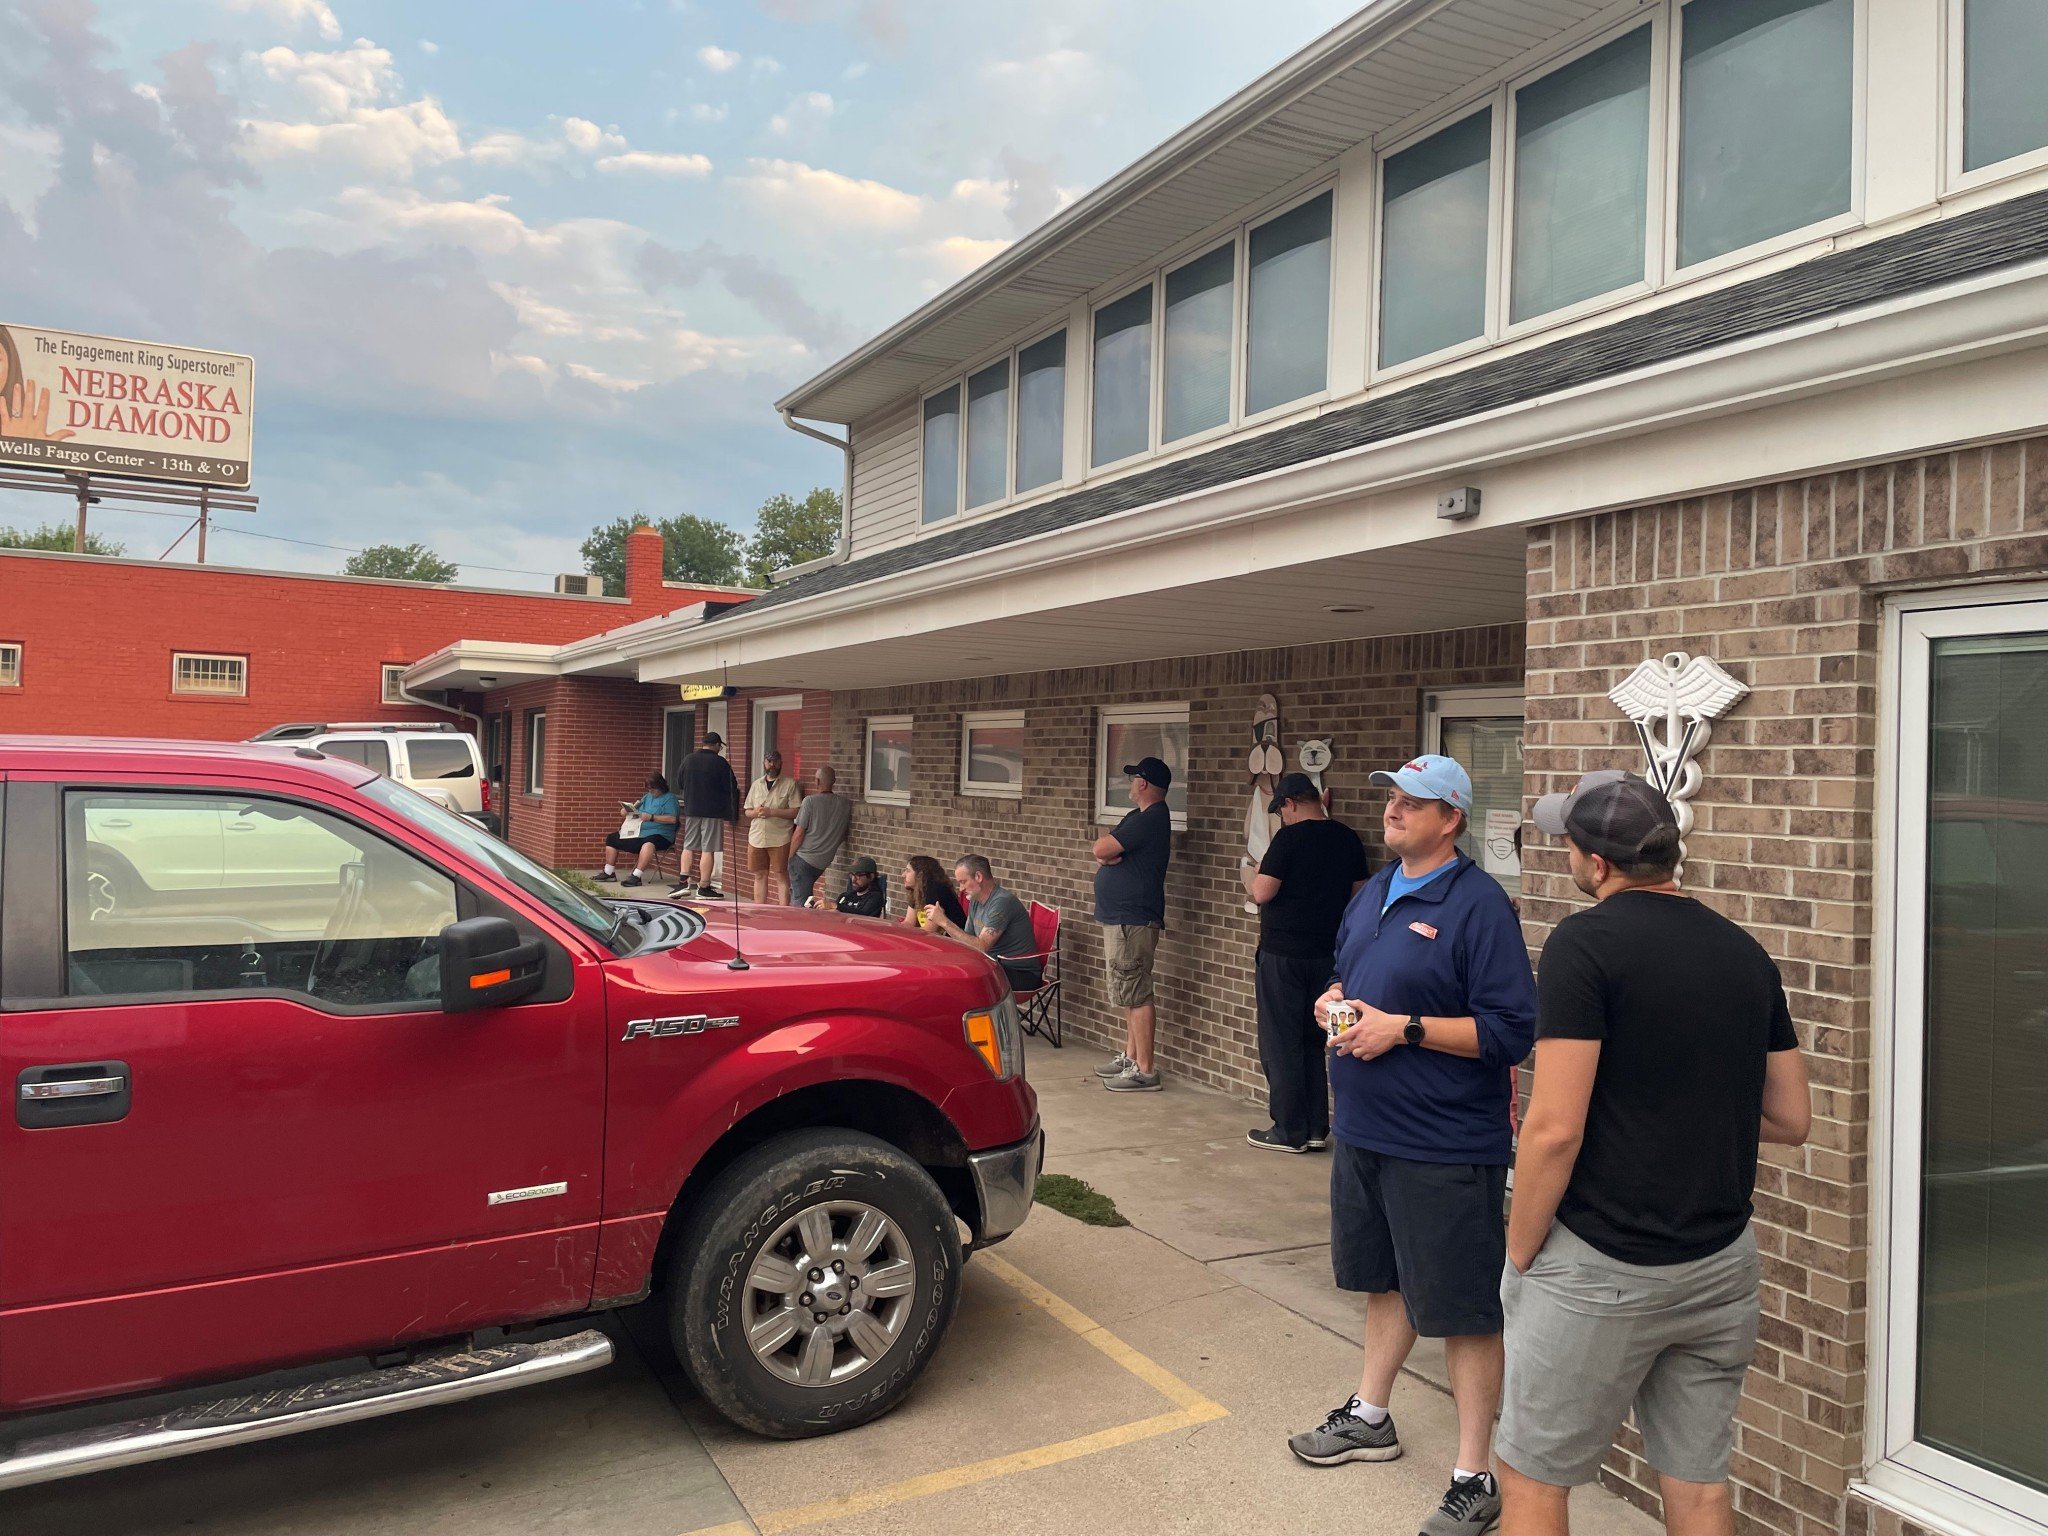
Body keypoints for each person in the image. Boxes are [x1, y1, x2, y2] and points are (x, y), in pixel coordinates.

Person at [1498, 770, 1811, 1536]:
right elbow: (1791, 1116)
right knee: (1699, 1484)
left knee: (1531, 1473)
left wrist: (1520, 1249)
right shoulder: (1743, 951)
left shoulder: (1585, 942)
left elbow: (1554, 1127)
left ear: (1597, 864)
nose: (1567, 858)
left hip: (1603, 1263)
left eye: (1569, 846)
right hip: (1720, 1263)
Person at [1288, 753, 1534, 1536]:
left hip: (1443, 1141)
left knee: (1462, 1307)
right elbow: (1348, 973)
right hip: (1365, 1130)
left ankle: (1474, 1475)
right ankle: (1371, 1414)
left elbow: (1511, 1031)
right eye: (1392, 797)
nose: (1394, 809)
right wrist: (1335, 1000)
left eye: (1413, 801)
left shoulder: (1480, 906)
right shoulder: (1374, 895)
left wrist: (1407, 1030)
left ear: (1451, 818)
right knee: (1382, 1279)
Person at [1247, 772, 1371, 1153]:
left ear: (1290, 803)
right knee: (1316, 1039)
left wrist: (1250, 872)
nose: (1282, 817)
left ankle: (1288, 1129)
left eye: (1281, 810)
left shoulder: (1288, 838)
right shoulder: (1347, 837)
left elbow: (1262, 891)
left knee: (1280, 1041)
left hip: (1283, 955)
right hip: (1329, 958)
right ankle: (1318, 1126)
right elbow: (1359, 895)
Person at [1090, 755, 1174, 1093]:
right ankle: (1130, 1056)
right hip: (1121, 918)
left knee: (1136, 991)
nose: (1128, 784)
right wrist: (1105, 854)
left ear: (1143, 783)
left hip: (1133, 919)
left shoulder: (1151, 818)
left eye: (1132, 779)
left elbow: (1101, 846)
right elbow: (1102, 851)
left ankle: (1145, 1069)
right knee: (1127, 990)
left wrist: (1106, 853)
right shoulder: (1136, 816)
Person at [924, 854, 1043, 992]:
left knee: (961, 981)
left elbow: (981, 947)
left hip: (1021, 974)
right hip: (992, 966)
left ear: (978, 877)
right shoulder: (975, 900)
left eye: (963, 881)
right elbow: (966, 942)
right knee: (943, 971)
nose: (961, 888)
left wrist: (944, 922)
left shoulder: (1002, 902)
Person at [675, 732, 740, 899]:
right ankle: (704, 887)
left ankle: (683, 883)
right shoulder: (720, 763)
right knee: (708, 849)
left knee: (688, 846)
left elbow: (679, 783)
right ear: (717, 745)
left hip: (691, 810)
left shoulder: (688, 759)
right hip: (712, 811)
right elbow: (731, 787)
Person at [595, 772, 679, 887]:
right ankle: (609, 872)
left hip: (661, 835)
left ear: (661, 787)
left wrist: (652, 817)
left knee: (649, 843)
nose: (650, 792)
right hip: (639, 832)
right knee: (612, 838)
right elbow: (635, 809)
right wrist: (626, 811)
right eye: (648, 789)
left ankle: (636, 876)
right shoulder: (647, 797)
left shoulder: (670, 798)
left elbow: (672, 819)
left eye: (653, 789)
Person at [742, 750, 803, 904]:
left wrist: (772, 812)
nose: (772, 765)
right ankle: (759, 909)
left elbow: (796, 811)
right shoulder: (756, 784)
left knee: (781, 874)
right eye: (769, 761)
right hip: (756, 837)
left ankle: (783, 910)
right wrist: (755, 812)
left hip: (780, 837)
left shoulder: (790, 784)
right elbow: (747, 811)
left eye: (775, 761)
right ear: (764, 763)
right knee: (759, 874)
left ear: (781, 763)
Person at [787, 765, 851, 907]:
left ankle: (801, 927)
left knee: (800, 902)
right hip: (823, 861)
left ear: (817, 782)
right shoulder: (845, 804)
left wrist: (789, 857)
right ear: (833, 781)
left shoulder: (809, 802)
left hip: (803, 858)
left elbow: (799, 833)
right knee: (805, 898)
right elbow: (842, 834)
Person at [899, 855, 965, 931]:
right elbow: (909, 923)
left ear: (920, 874)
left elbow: (929, 931)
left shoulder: (935, 891)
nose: (903, 875)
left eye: (908, 871)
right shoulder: (917, 890)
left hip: (952, 940)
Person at [813, 853, 886, 918]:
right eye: (852, 875)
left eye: (858, 875)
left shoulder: (875, 897)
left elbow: (863, 915)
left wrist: (836, 906)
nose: (853, 880)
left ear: (871, 876)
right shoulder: (845, 896)